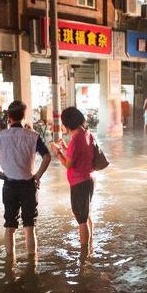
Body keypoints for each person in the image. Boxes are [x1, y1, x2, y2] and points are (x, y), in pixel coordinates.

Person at [0, 100, 52, 259]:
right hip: (28, 186)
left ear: (9, 117)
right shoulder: (33, 136)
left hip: (9, 185)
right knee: (29, 226)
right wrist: (37, 176)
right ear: (24, 116)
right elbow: (47, 157)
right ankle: (32, 265)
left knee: (9, 226)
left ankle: (10, 264)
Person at [50, 107, 96, 251]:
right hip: (89, 180)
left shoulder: (76, 139)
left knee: (81, 220)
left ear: (68, 124)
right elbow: (79, 154)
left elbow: (68, 164)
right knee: (86, 214)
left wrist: (57, 152)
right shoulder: (87, 134)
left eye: (63, 123)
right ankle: (90, 246)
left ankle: (84, 254)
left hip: (79, 183)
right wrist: (65, 148)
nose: (63, 126)